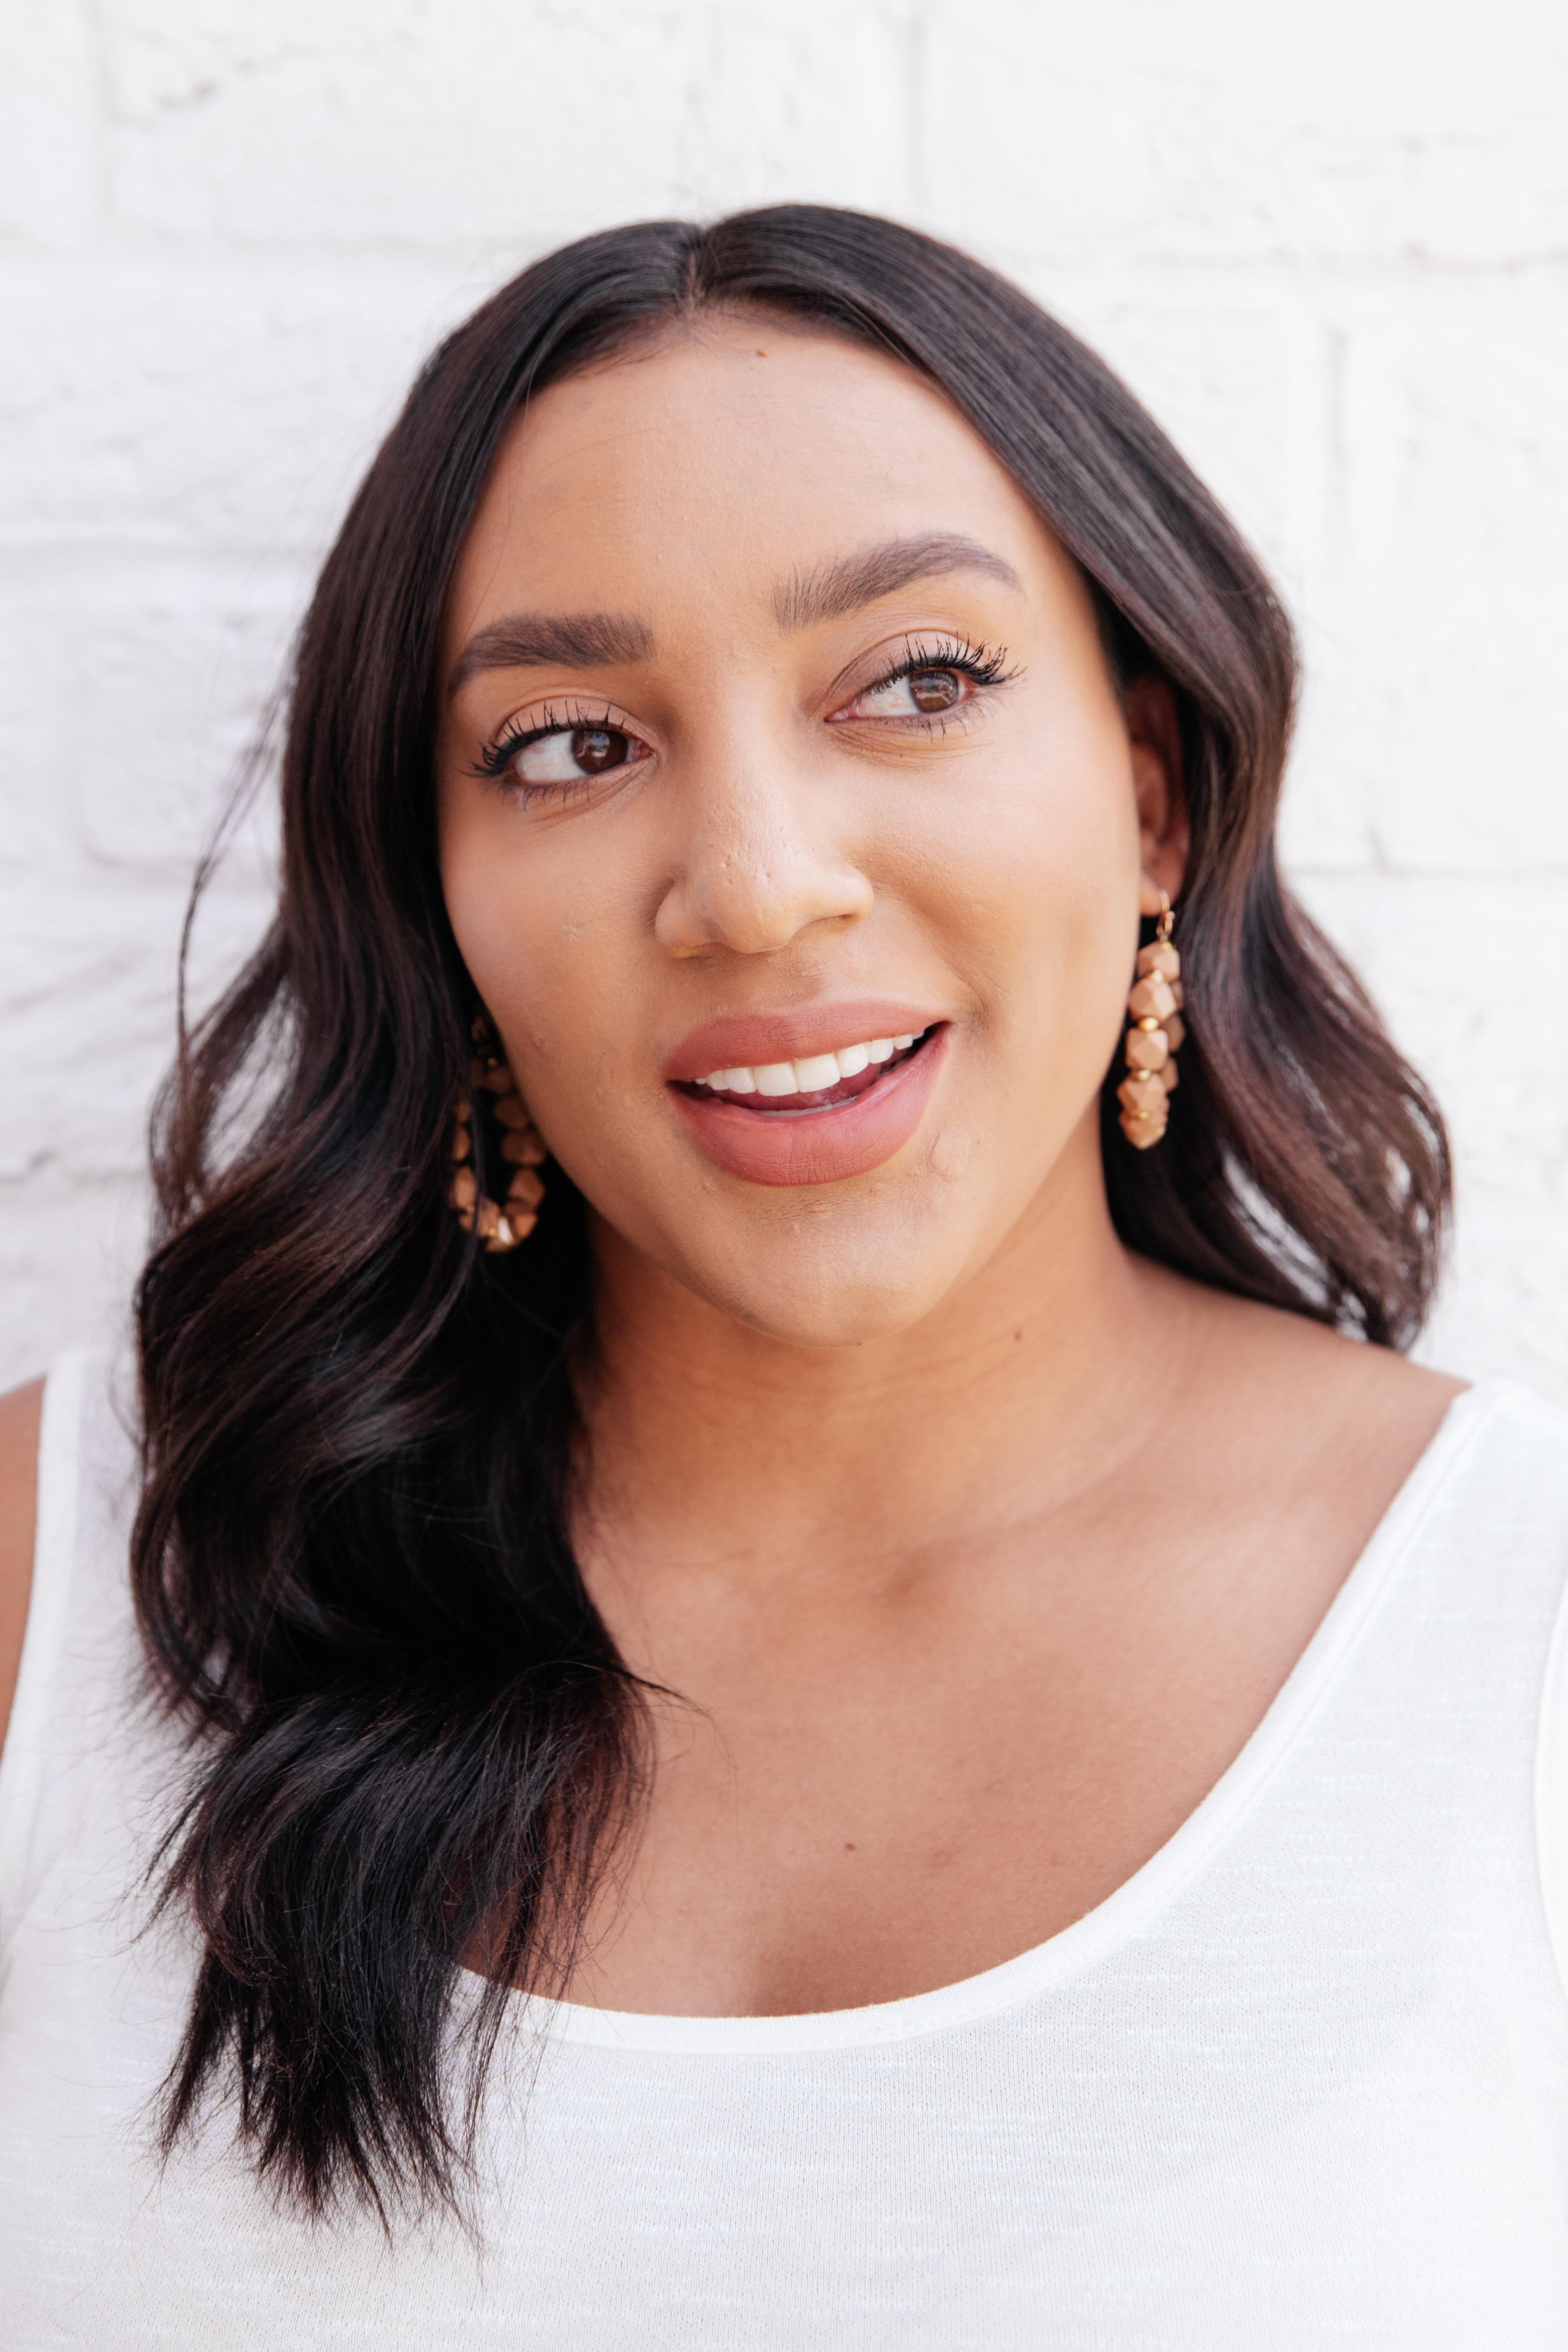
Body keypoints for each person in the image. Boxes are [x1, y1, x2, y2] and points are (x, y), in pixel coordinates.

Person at [1, 205, 1566, 2348]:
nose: (752, 886)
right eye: (569, 739)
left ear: (1155, 793)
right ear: (434, 896)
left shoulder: (1516, 1630)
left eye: (915, 682)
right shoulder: (60, 1582)